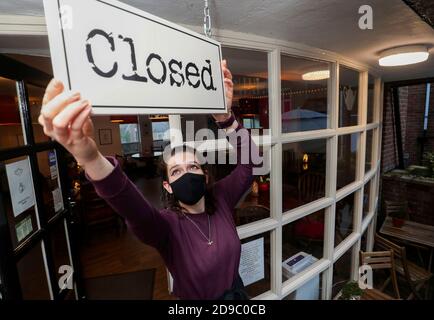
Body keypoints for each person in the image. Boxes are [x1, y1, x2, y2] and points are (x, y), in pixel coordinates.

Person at [38, 60, 260, 300]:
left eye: (193, 166)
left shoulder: (222, 198)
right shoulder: (165, 226)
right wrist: (90, 157)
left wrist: (226, 117)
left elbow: (252, 162)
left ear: (204, 175)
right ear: (168, 185)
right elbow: (131, 206)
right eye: (176, 171)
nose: (186, 173)